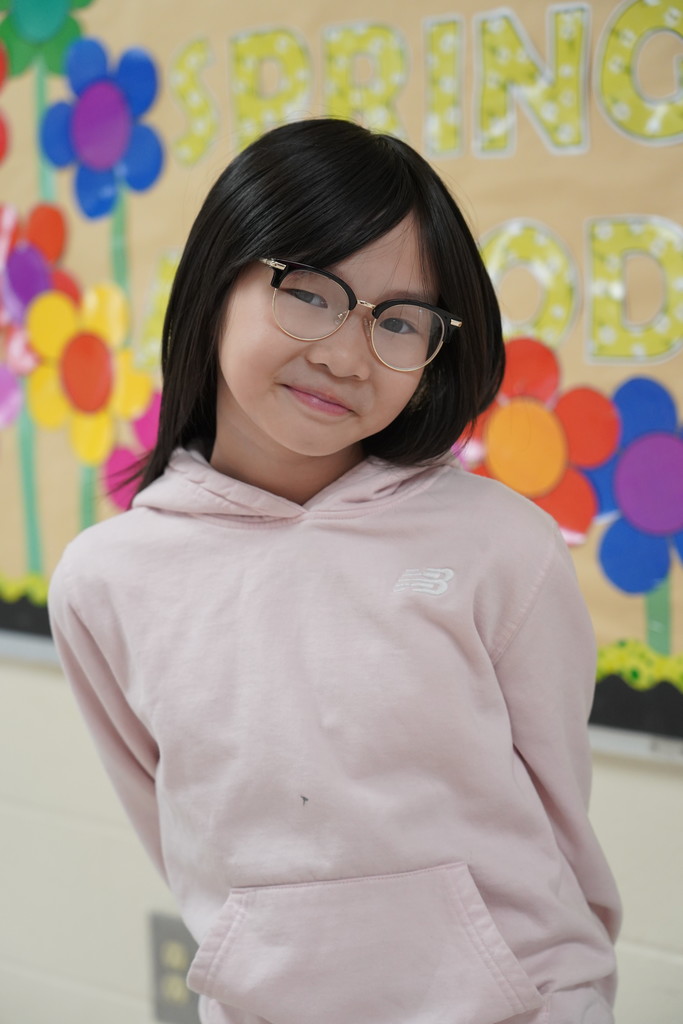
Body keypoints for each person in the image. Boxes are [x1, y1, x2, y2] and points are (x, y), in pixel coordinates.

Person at [48, 117, 621, 1024]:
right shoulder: (105, 581)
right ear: (217, 279)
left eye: (399, 320)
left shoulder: (499, 546)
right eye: (311, 293)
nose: (346, 355)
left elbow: (558, 820)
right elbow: (181, 841)